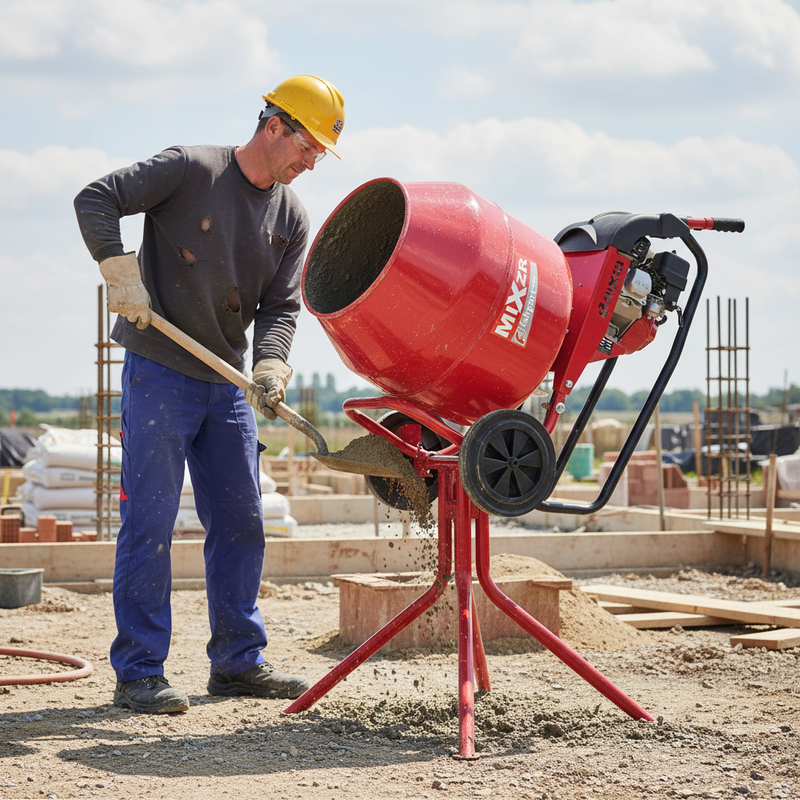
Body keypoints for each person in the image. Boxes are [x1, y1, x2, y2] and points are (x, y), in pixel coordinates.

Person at [73, 75, 345, 714]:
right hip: (160, 374)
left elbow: (280, 306)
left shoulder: (291, 216)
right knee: (150, 523)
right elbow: (96, 198)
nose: (312, 162)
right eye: (309, 147)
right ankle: (139, 672)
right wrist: (120, 273)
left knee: (242, 520)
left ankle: (237, 662)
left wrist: (272, 365)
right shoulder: (191, 169)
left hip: (225, 383)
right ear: (274, 125)